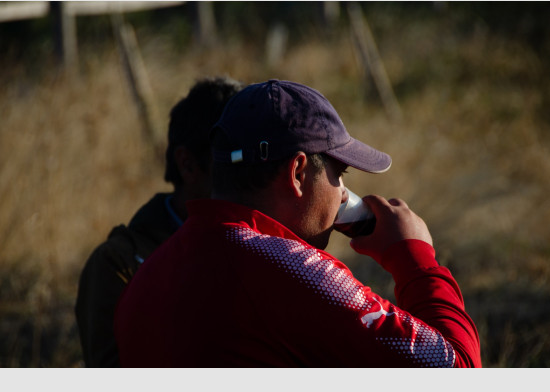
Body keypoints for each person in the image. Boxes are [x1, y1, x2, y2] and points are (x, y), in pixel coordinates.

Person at [114, 79, 481, 367]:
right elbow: (456, 368)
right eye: (340, 173)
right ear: (298, 172)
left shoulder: (150, 275)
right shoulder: (293, 271)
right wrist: (415, 261)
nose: (343, 194)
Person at [75, 76, 243, 367]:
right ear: (188, 164)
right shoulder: (119, 264)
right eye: (237, 158)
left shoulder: (276, 240)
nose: (254, 171)